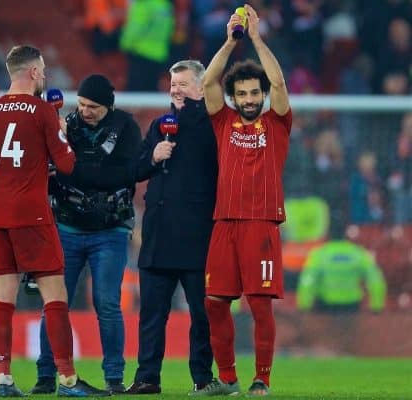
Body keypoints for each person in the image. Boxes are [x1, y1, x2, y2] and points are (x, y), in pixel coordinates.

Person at [0, 45, 110, 398]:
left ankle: (3, 378)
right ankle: (67, 379)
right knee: (55, 296)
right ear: (34, 72)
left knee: (2, 300)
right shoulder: (40, 110)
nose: (45, 76)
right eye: (43, 71)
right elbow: (66, 164)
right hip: (31, 213)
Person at [201, 4, 292, 397]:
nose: (250, 98)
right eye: (243, 93)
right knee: (214, 302)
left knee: (259, 304)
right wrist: (229, 42)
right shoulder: (223, 122)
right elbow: (207, 84)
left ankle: (263, 379)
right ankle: (228, 379)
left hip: (261, 224)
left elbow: (281, 84)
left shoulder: (278, 123)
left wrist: (255, 39)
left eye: (255, 93)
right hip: (225, 223)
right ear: (235, 97)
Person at [31, 74, 141, 395]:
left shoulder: (127, 128)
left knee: (107, 303)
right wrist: (60, 144)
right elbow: (49, 169)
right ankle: (45, 375)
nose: (85, 111)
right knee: (54, 303)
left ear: (109, 106)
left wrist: (72, 168)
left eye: (93, 106)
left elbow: (120, 175)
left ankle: (114, 378)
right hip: (66, 227)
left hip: (111, 230)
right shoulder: (64, 126)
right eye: (81, 105)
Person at [125, 59, 218, 395]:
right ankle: (147, 378)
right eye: (172, 84)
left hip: (197, 236)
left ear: (200, 87)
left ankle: (203, 378)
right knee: (151, 315)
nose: (175, 90)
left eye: (182, 83)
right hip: (159, 234)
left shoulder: (211, 124)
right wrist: (154, 157)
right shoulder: (159, 126)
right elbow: (135, 170)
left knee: (202, 315)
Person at [297, 239, 387, 313]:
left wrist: (304, 306)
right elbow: (375, 279)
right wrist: (377, 306)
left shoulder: (319, 254)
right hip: (351, 307)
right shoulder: (358, 253)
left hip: (326, 307)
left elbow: (307, 282)